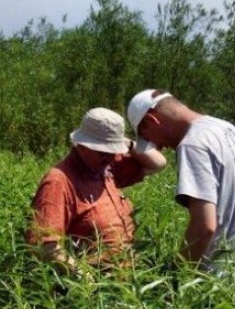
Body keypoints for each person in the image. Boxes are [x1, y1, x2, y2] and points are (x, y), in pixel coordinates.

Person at [127, 89, 235, 280]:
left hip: (227, 281)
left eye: (148, 138)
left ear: (151, 121)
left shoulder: (193, 145)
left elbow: (204, 226)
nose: (157, 147)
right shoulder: (225, 128)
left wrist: (175, 279)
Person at [26, 107, 167, 274]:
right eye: (103, 152)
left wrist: (125, 143)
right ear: (83, 145)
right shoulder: (59, 182)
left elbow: (158, 163)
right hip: (96, 290)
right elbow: (44, 246)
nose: (111, 157)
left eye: (114, 151)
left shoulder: (107, 166)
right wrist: (84, 277)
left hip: (126, 280)